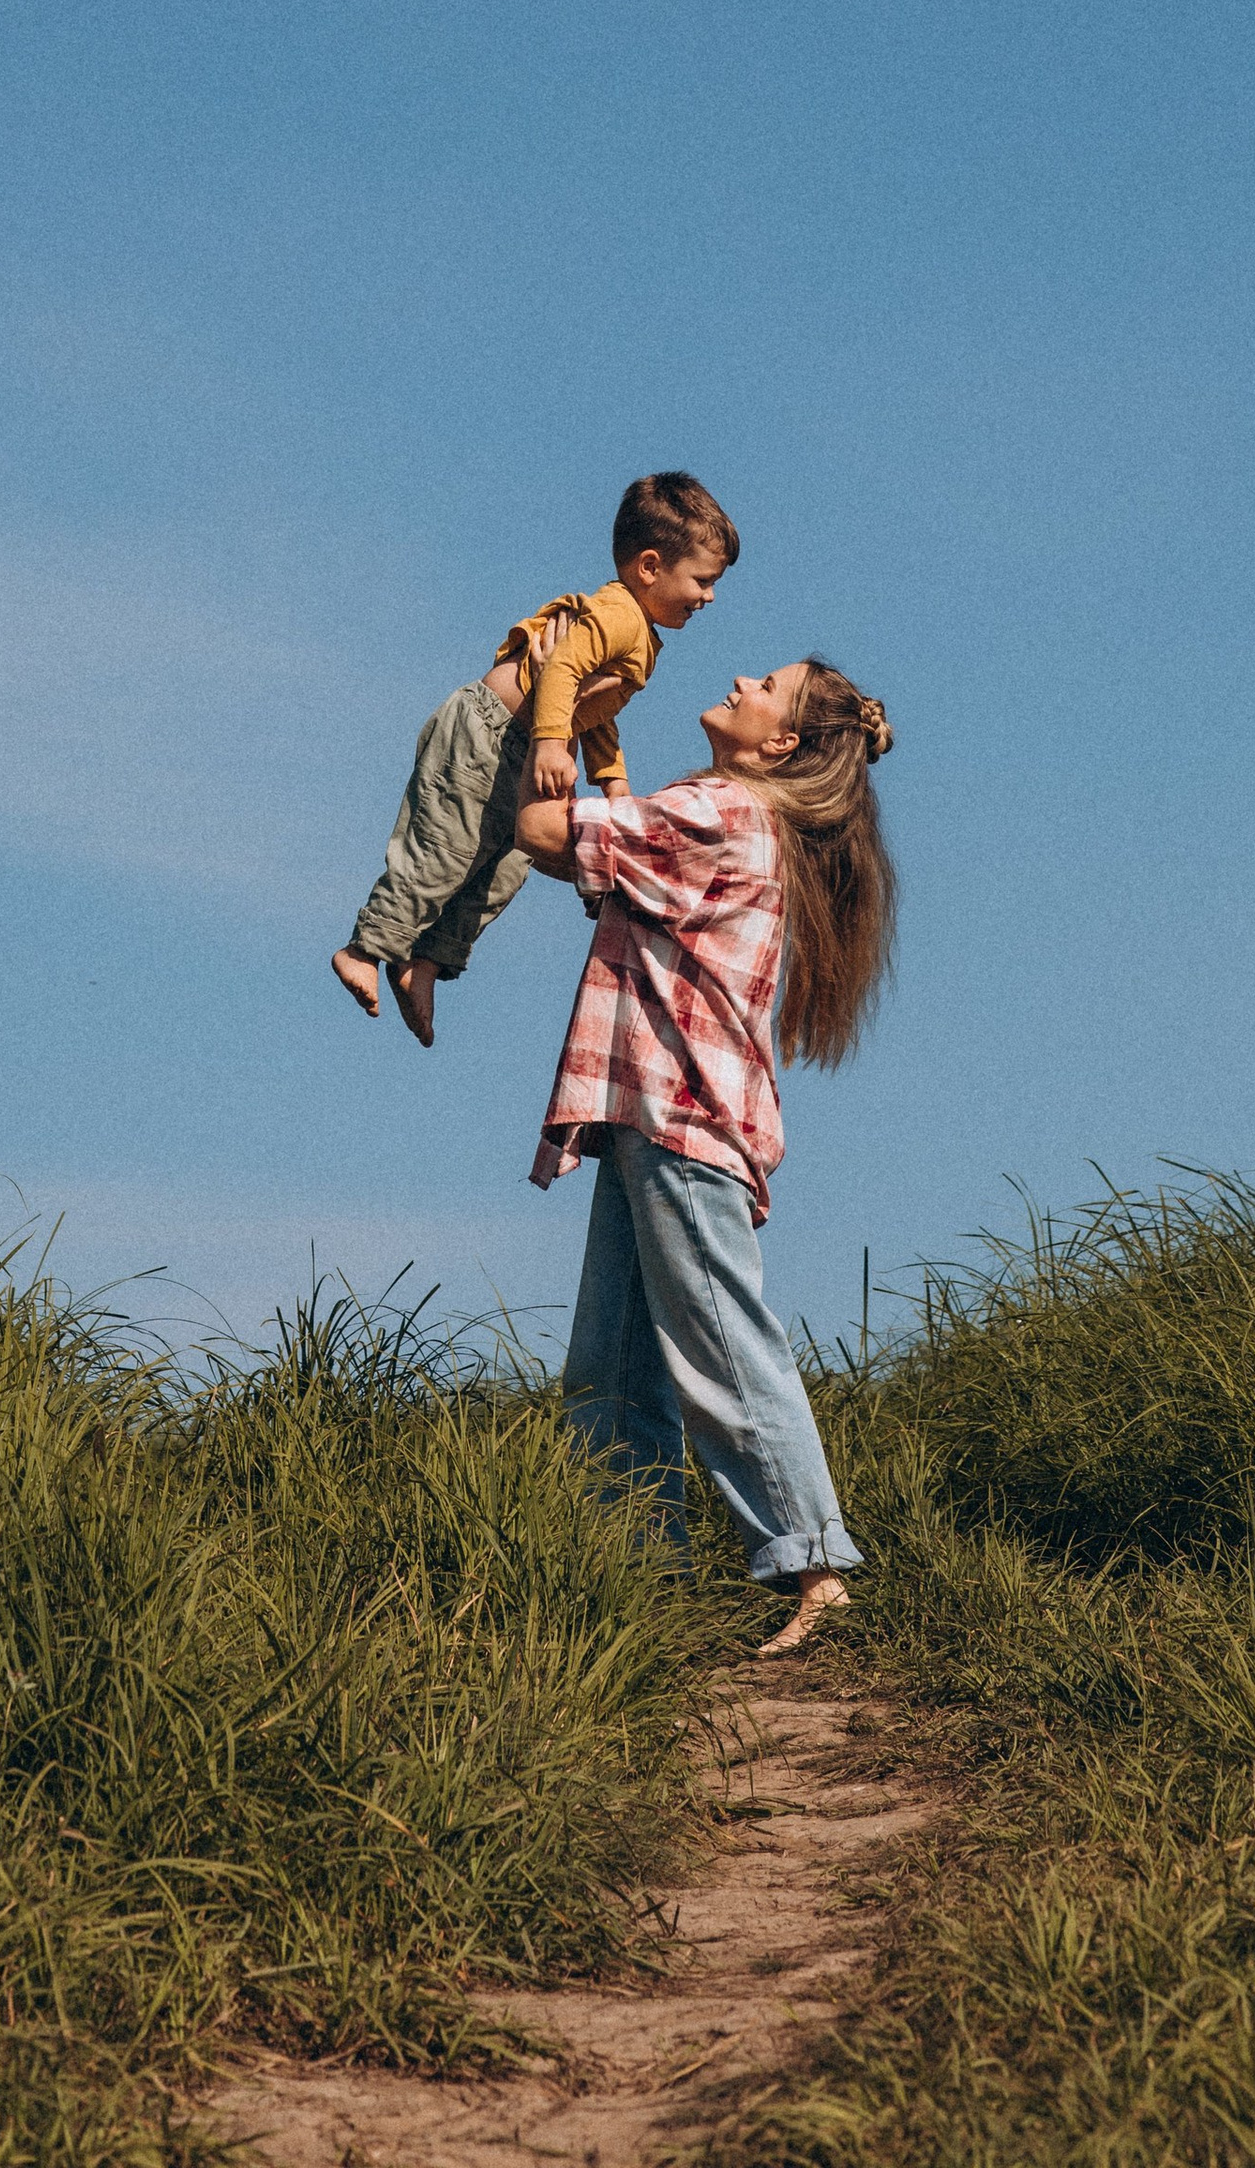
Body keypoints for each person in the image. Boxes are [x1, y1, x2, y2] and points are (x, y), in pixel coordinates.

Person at [516, 654, 896, 1656]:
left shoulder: (722, 811)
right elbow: (590, 848)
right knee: (615, 1362)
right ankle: (638, 1580)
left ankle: (814, 1562)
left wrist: (542, 722)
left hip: (678, 1117)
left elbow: (545, 832)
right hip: (654, 1115)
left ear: (781, 744)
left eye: (763, 686)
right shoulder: (726, 819)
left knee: (719, 1340)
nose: (738, 680)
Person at [332, 472, 737, 1049]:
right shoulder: (618, 616)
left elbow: (593, 712)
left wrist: (614, 785)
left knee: (505, 868)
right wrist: (550, 742)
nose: (709, 596)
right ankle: (365, 948)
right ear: (650, 566)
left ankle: (426, 963)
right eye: (702, 580)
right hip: (490, 735)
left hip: (525, 748)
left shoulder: (637, 632)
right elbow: (564, 669)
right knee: (446, 851)